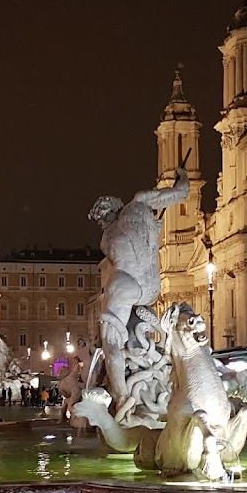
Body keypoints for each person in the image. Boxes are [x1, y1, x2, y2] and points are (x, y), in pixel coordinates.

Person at [89, 167, 190, 406]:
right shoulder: (141, 205)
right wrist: (183, 175)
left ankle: (123, 397)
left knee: (111, 344)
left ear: (104, 216)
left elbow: (119, 255)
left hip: (124, 284)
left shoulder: (107, 237)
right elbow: (182, 192)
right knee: (130, 329)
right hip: (151, 286)